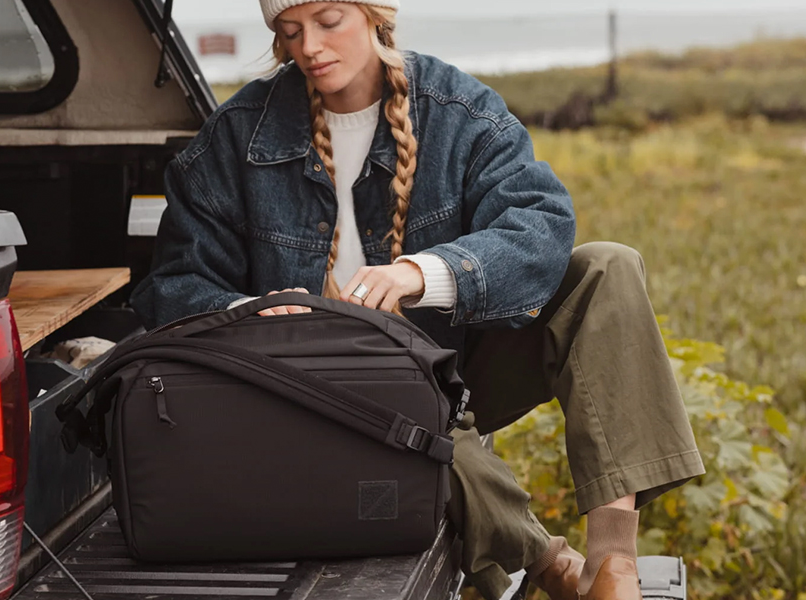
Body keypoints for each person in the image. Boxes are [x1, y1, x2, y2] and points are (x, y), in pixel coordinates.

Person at [130, 2, 705, 598]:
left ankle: (614, 564)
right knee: (419, 431)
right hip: (314, 398)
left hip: (455, 365)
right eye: (290, 31)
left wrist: (423, 273)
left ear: (373, 15)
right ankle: (548, 562)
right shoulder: (236, 135)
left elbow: (540, 223)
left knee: (608, 266)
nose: (310, 47)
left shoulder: (458, 111)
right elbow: (172, 285)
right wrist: (251, 311)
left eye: (328, 21)